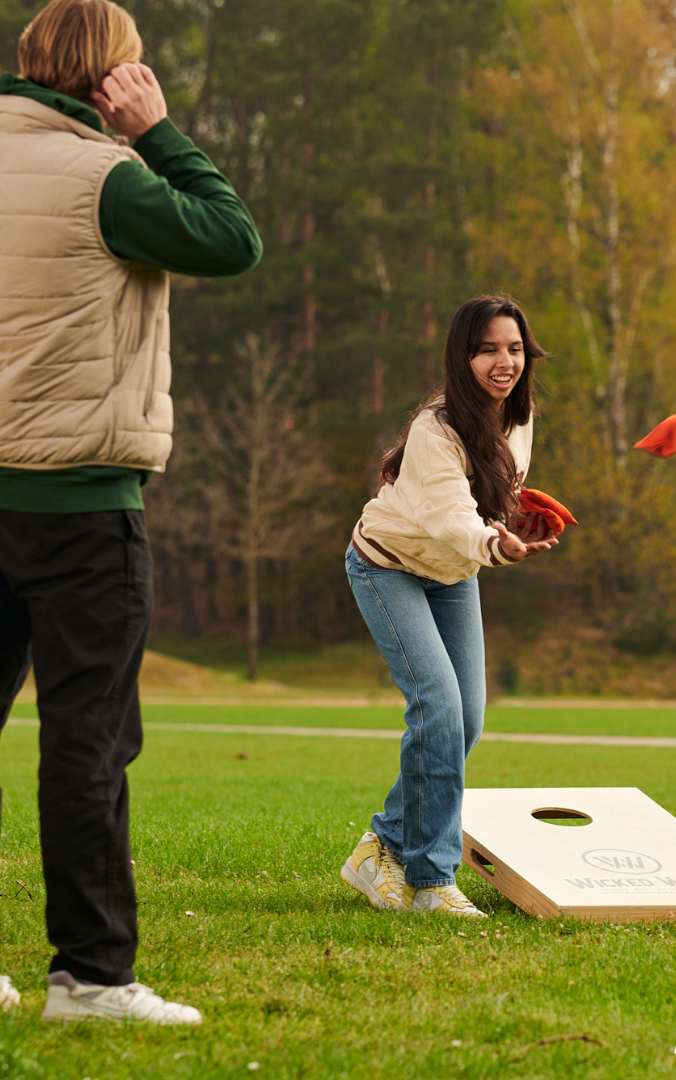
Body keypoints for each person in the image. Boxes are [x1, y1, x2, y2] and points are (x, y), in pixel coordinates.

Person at [0, 0, 262, 1022]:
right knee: (86, 743)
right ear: (113, 78)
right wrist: (157, 133)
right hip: (80, 510)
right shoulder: (109, 178)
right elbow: (231, 239)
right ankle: (93, 977)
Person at [341, 296, 557, 917]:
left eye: (514, 348)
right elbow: (448, 515)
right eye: (488, 348)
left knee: (467, 720)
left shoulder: (518, 415)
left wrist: (517, 513)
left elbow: (486, 494)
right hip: (387, 566)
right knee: (438, 706)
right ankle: (431, 882)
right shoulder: (435, 430)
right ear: (462, 357)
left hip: (454, 573)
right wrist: (495, 541)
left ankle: (381, 842)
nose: (504, 361)